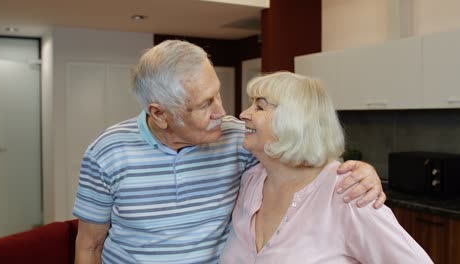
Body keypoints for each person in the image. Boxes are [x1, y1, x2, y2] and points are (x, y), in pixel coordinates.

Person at [73, 40, 386, 264]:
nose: (222, 112)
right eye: (204, 104)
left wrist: (355, 169)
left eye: (217, 94)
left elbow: (297, 158)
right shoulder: (107, 153)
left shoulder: (239, 140)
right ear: (159, 114)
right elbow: (90, 245)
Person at [220, 72, 432, 264]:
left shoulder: (347, 192)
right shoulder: (250, 181)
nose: (243, 114)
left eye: (259, 106)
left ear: (294, 120)